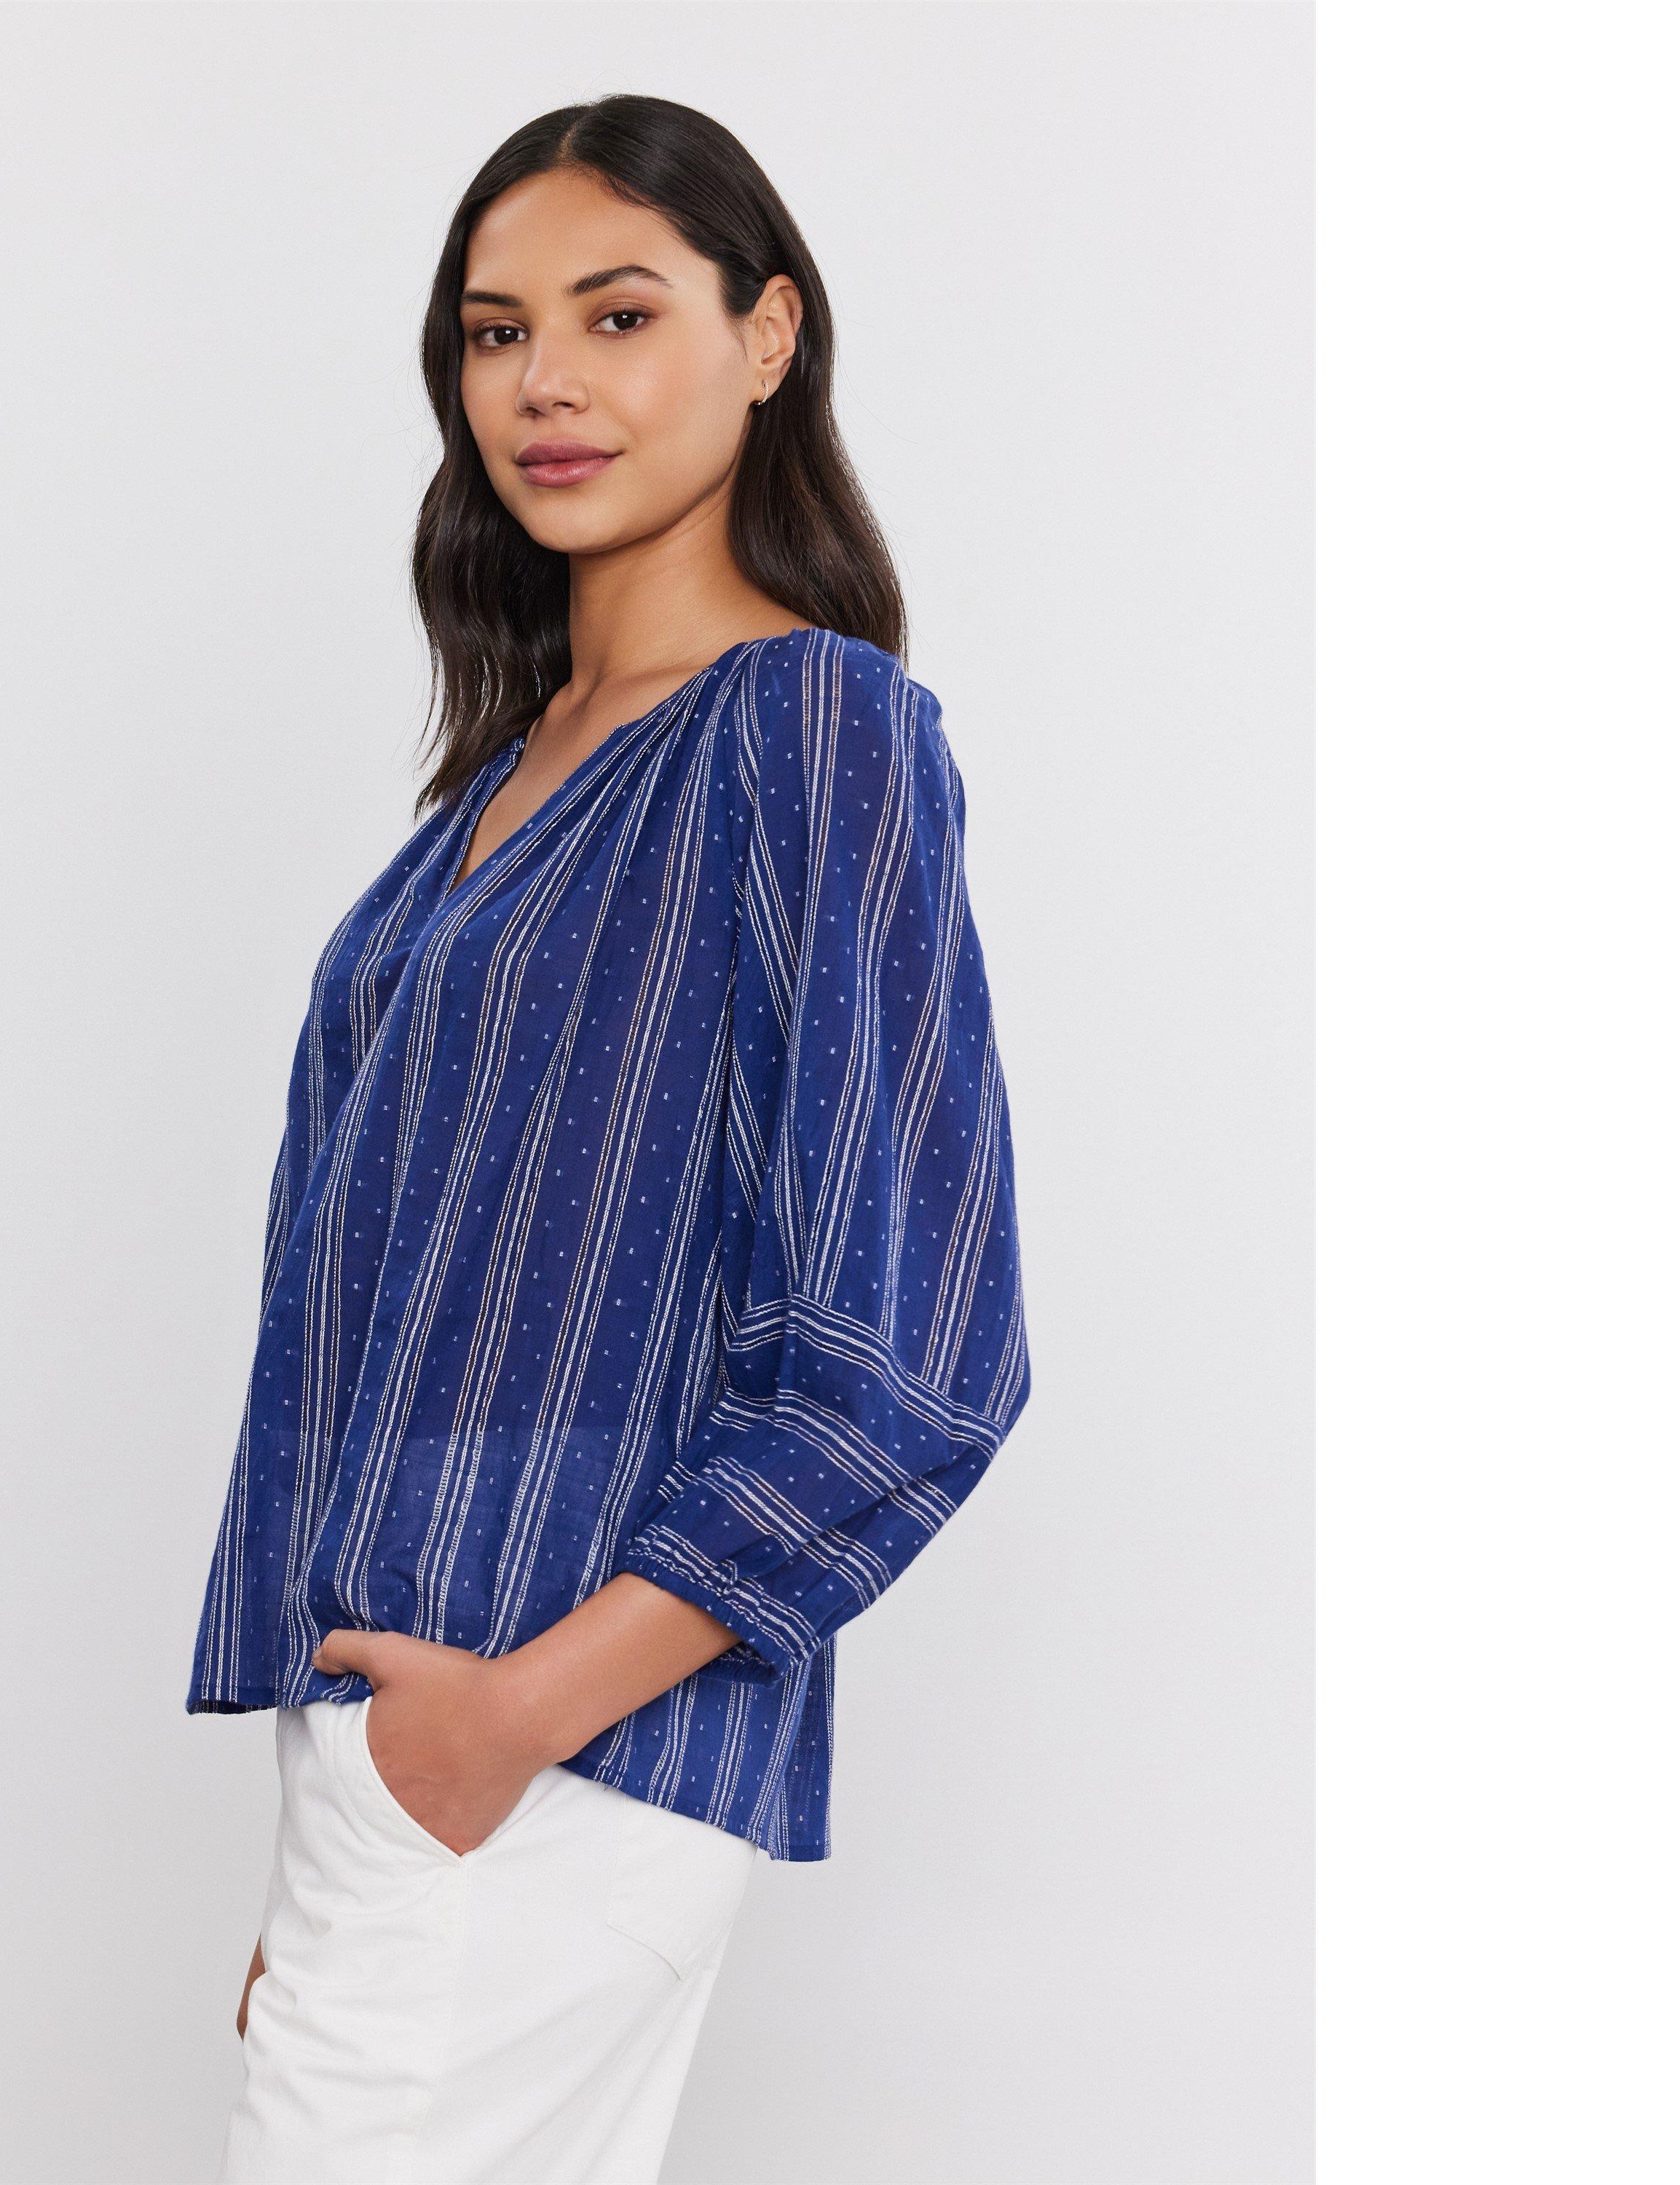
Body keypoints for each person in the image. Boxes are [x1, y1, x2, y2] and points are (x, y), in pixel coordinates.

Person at [186, 92, 1033, 2184]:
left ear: (769, 337)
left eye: (620, 314)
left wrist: (514, 1722)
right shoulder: (495, 787)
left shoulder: (813, 729)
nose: (545, 382)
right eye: (496, 332)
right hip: (421, 1760)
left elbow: (919, 1353)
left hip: (545, 1733)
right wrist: (348, 1825)